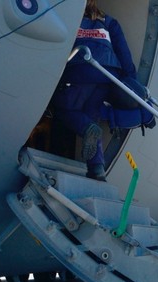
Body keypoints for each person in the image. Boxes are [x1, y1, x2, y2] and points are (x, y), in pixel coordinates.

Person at [52, 0, 138, 181]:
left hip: (81, 68)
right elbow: (124, 52)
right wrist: (131, 80)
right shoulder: (108, 21)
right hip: (107, 73)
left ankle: (86, 128)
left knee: (61, 107)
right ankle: (97, 169)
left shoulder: (72, 16)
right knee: (92, 115)